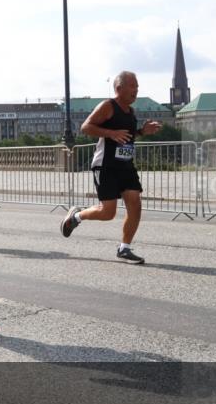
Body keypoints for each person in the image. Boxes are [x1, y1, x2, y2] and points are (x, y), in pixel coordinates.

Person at [61, 71, 161, 264]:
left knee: (135, 204)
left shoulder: (130, 112)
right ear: (119, 88)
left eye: (137, 86)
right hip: (105, 165)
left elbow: (127, 136)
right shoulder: (108, 106)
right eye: (132, 86)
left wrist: (142, 131)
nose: (136, 90)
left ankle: (124, 248)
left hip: (125, 165)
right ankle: (76, 216)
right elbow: (85, 127)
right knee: (108, 213)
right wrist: (110, 133)